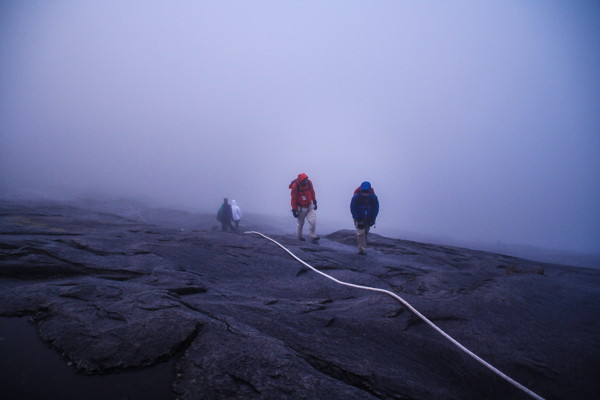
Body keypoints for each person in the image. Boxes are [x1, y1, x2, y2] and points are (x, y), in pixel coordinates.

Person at [350, 181, 379, 255]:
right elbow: (353, 209)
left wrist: (372, 219)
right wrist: (359, 220)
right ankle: (361, 249)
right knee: (361, 232)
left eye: (367, 192)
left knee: (365, 232)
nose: (365, 194)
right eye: (364, 192)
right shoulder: (356, 197)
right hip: (358, 217)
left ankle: (363, 246)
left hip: (368, 218)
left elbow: (376, 209)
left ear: (369, 191)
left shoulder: (373, 198)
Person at [289, 172, 320, 243]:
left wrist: (314, 201)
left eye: (306, 179)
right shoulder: (295, 186)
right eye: (304, 180)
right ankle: (300, 236)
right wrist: (294, 210)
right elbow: (293, 199)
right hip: (301, 207)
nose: (306, 181)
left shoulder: (309, 183)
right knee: (301, 223)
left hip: (309, 205)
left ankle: (313, 236)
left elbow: (312, 192)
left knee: (313, 221)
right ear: (301, 181)